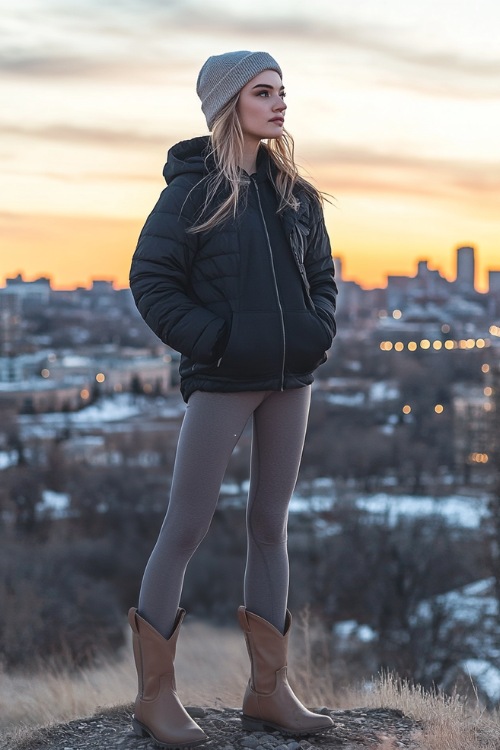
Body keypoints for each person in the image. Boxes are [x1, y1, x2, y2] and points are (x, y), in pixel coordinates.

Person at [128, 50, 337, 749]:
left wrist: (317, 332)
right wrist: (215, 340)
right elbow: (153, 282)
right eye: (263, 92)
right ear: (229, 104)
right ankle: (155, 698)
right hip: (222, 380)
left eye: (282, 91)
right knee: (184, 529)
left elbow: (323, 277)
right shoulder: (191, 190)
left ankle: (269, 693)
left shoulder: (294, 195)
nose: (279, 104)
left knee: (270, 526)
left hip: (290, 380)